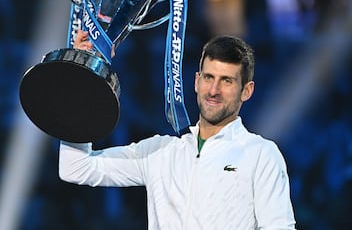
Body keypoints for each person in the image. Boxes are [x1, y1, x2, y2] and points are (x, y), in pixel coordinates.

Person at [59, 30, 296, 229]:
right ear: (196, 81)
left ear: (247, 90)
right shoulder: (161, 152)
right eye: (208, 77)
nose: (213, 90)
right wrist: (84, 80)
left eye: (227, 81)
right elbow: (76, 168)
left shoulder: (261, 155)